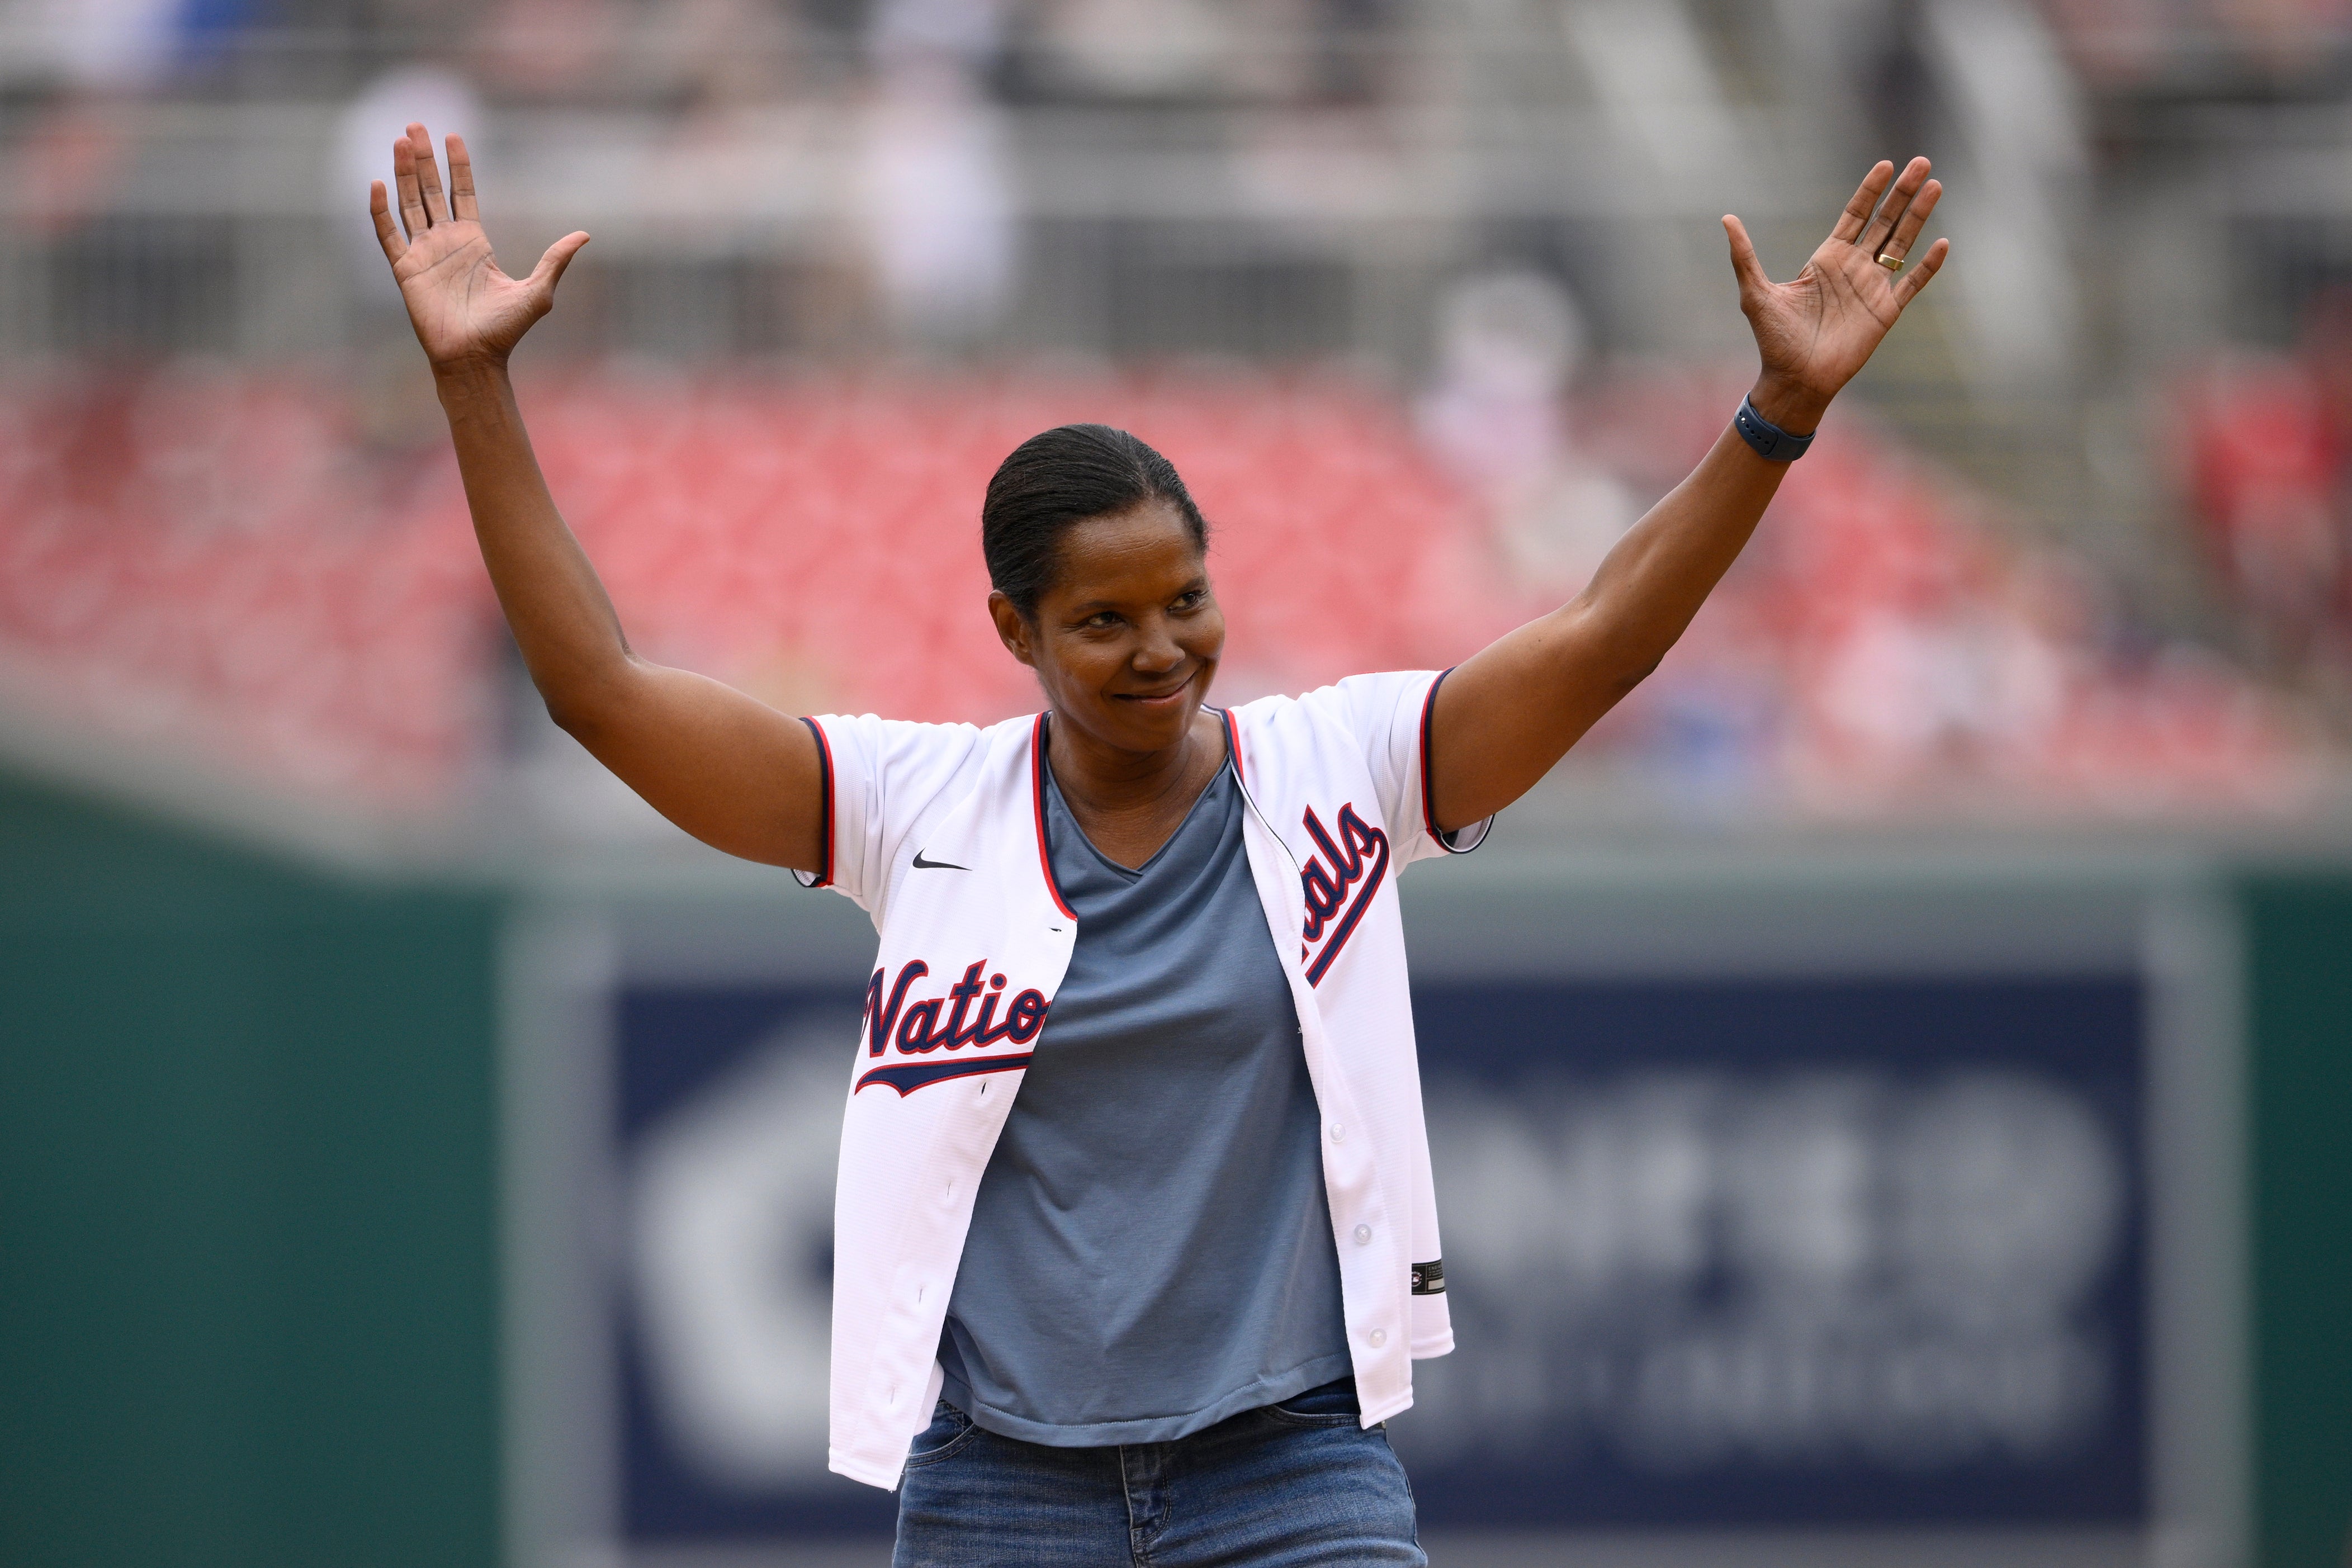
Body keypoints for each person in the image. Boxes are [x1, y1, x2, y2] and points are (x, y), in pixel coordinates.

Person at [370, 123, 1946, 1567]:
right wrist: (472, 386)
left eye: (1183, 597)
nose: (1158, 647)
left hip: (1294, 1475)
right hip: (1002, 1487)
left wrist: (1775, 415)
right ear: (1014, 628)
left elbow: (1602, 640)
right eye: (1101, 620)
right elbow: (597, 694)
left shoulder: (1341, 768)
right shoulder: (919, 809)